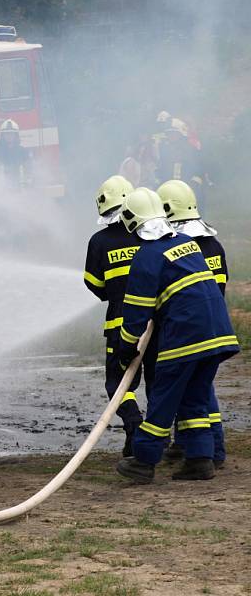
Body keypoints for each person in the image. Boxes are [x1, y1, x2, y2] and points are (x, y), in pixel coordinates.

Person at [115, 188, 239, 483]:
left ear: (132, 221)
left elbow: (136, 311)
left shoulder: (147, 256)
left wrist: (126, 346)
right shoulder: (187, 243)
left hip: (186, 336)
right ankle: (200, 459)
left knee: (163, 398)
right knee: (194, 399)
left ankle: (144, 461)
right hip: (217, 333)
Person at [158, 179, 228, 468]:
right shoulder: (214, 245)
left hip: (185, 329)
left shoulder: (179, 248)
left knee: (193, 392)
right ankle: (209, 447)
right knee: (202, 388)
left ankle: (203, 451)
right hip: (214, 325)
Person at [83, 175, 146, 456]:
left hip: (119, 325)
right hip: (156, 325)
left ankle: (134, 426)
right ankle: (170, 440)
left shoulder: (99, 241)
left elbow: (93, 283)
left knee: (119, 383)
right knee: (158, 381)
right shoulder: (148, 235)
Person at [0, 119, 32, 189]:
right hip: (2, 191)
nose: (9, 136)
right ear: (2, 136)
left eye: (11, 133)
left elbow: (30, 170)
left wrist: (29, 183)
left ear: (16, 135)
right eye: (7, 133)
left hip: (21, 189)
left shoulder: (23, 152)